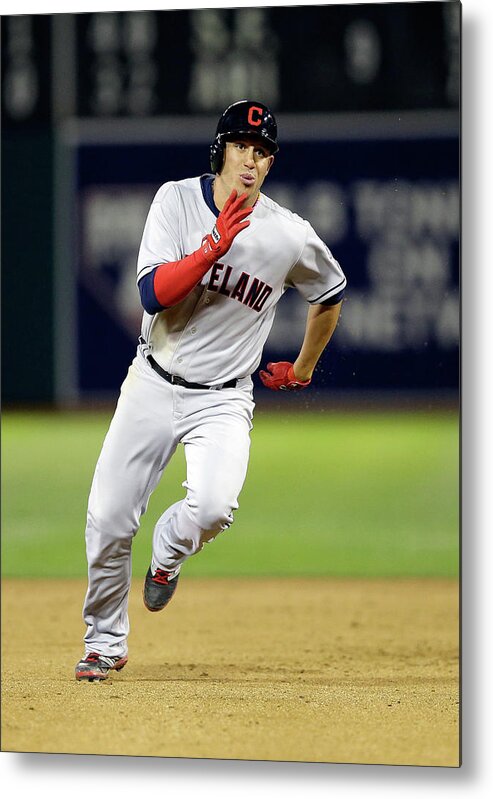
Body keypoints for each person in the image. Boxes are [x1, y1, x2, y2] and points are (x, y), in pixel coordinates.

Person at [75, 100, 347, 682]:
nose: (252, 160)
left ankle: (168, 556)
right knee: (108, 518)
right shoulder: (174, 201)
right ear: (221, 148)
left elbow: (330, 293)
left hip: (223, 398)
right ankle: (104, 640)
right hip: (151, 381)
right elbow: (151, 296)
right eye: (243, 146)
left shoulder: (287, 234)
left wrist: (302, 368)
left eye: (264, 151)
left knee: (215, 506)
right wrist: (209, 249)